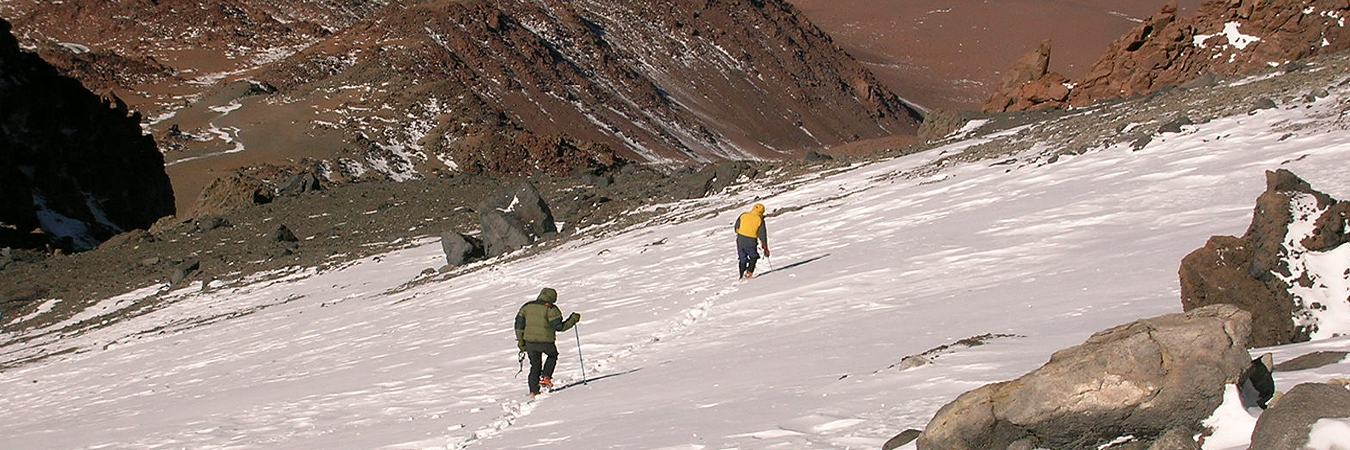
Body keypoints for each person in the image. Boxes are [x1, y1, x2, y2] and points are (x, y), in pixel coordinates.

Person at [514, 287, 581, 397]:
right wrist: (573, 320)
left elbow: (518, 325)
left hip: (530, 342)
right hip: (546, 341)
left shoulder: (527, 306)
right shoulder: (551, 309)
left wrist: (521, 342)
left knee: (535, 365)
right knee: (552, 355)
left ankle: (533, 391)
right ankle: (546, 377)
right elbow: (560, 327)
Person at [733, 203, 770, 279]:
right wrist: (765, 246)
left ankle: (741, 275)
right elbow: (762, 235)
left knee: (742, 258)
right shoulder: (760, 220)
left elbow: (736, 227)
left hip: (740, 239)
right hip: (751, 240)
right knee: (754, 256)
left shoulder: (743, 215)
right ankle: (749, 272)